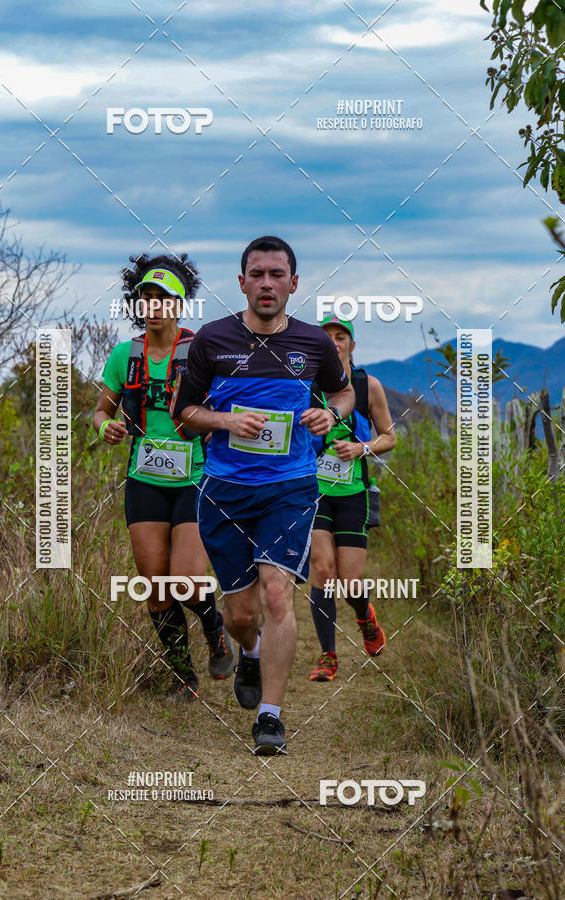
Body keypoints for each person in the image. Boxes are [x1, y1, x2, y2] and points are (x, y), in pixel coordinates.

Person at [174, 235, 355, 754]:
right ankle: (246, 651)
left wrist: (333, 414)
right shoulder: (211, 340)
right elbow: (185, 415)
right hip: (225, 490)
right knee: (241, 613)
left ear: (294, 284)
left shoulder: (314, 343)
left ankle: (271, 718)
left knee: (277, 591)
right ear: (242, 283)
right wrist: (226, 419)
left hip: (291, 487)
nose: (268, 283)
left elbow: (341, 391)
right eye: (258, 274)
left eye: (278, 274)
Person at [92, 252, 236, 702]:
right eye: (145, 298)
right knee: (155, 587)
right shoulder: (124, 355)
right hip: (145, 478)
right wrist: (106, 428)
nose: (153, 306)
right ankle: (183, 679)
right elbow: (100, 410)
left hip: (195, 477)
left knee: (188, 580)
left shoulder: (202, 350)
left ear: (180, 303)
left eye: (163, 298)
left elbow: (226, 410)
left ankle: (214, 628)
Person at [308, 315, 396, 682]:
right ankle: (328, 656)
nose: (334, 342)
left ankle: (365, 618)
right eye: (327, 337)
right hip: (313, 494)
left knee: (350, 581)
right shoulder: (306, 386)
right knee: (323, 571)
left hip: (353, 494)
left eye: (340, 336)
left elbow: (389, 437)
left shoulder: (367, 385)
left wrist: (361, 448)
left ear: (351, 345)